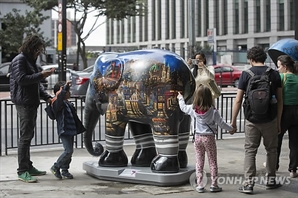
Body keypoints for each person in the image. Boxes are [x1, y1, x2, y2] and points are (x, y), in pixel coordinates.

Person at [231, 46, 283, 194]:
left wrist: (233, 122)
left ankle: (248, 184)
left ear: (251, 59)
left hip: (251, 119)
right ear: (264, 58)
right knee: (271, 150)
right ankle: (270, 181)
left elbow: (238, 100)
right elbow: (280, 100)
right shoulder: (274, 74)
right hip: (270, 119)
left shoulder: (246, 74)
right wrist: (278, 122)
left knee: (250, 151)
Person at [9, 35, 54, 183]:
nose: (39, 53)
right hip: (24, 103)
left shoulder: (30, 61)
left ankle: (28, 166)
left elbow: (36, 85)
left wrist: (47, 97)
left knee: (28, 136)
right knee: (25, 137)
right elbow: (22, 80)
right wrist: (41, 75)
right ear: (31, 47)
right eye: (38, 49)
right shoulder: (20, 60)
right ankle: (22, 170)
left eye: (40, 50)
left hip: (30, 102)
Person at [177, 84, 235, 193]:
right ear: (209, 97)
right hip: (209, 138)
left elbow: (183, 108)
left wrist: (180, 98)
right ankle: (214, 185)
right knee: (212, 162)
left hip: (197, 138)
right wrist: (231, 129)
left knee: (199, 162)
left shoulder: (193, 109)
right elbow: (222, 124)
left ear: (196, 97)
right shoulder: (213, 111)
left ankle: (200, 185)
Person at [50, 80, 86, 179]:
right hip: (64, 130)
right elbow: (60, 97)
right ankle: (56, 166)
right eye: (66, 91)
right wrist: (64, 87)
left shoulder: (67, 103)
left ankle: (65, 170)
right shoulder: (57, 102)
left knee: (70, 152)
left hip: (71, 129)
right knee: (68, 151)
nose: (69, 93)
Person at [187, 52, 221, 134]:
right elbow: (187, 79)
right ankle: (196, 133)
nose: (198, 61)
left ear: (204, 59)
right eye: (196, 59)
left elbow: (212, 77)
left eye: (200, 59)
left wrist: (204, 67)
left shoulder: (209, 68)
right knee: (195, 116)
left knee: (210, 116)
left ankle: (210, 132)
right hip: (197, 98)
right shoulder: (193, 71)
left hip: (209, 97)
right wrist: (188, 65)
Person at [276, 55, 298, 178]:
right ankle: (293, 169)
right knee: (295, 142)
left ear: (285, 67)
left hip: (284, 111)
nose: (278, 69)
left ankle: (274, 165)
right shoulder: (297, 78)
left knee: (277, 139)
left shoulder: (281, 77)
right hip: (297, 111)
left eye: (279, 66)